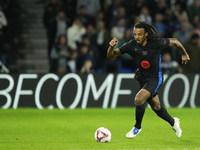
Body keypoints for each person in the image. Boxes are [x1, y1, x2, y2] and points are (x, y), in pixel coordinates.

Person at [107, 21, 190, 138]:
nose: (136, 37)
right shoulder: (131, 45)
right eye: (135, 34)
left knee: (138, 99)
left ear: (146, 34)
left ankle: (137, 127)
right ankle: (173, 122)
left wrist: (184, 54)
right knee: (156, 107)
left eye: (139, 34)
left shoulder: (156, 43)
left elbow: (175, 41)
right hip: (142, 78)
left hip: (155, 78)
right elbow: (112, 56)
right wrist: (111, 47)